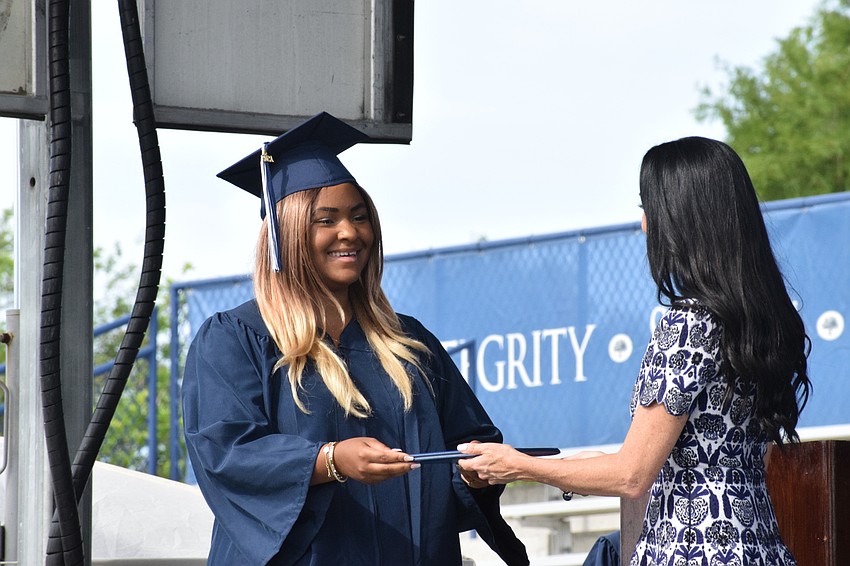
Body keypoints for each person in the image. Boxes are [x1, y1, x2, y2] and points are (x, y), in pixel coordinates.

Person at [181, 111, 528, 566]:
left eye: (359, 216)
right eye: (326, 220)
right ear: (285, 235)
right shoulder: (237, 339)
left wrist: (475, 471)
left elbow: (469, 439)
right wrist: (330, 460)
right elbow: (226, 453)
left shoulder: (409, 344)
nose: (350, 232)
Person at [458, 136, 811, 565]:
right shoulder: (766, 322)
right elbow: (688, 454)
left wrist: (517, 467)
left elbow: (632, 474)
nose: (645, 224)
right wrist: (567, 465)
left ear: (682, 218)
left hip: (689, 548)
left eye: (649, 208)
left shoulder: (688, 325)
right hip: (759, 544)